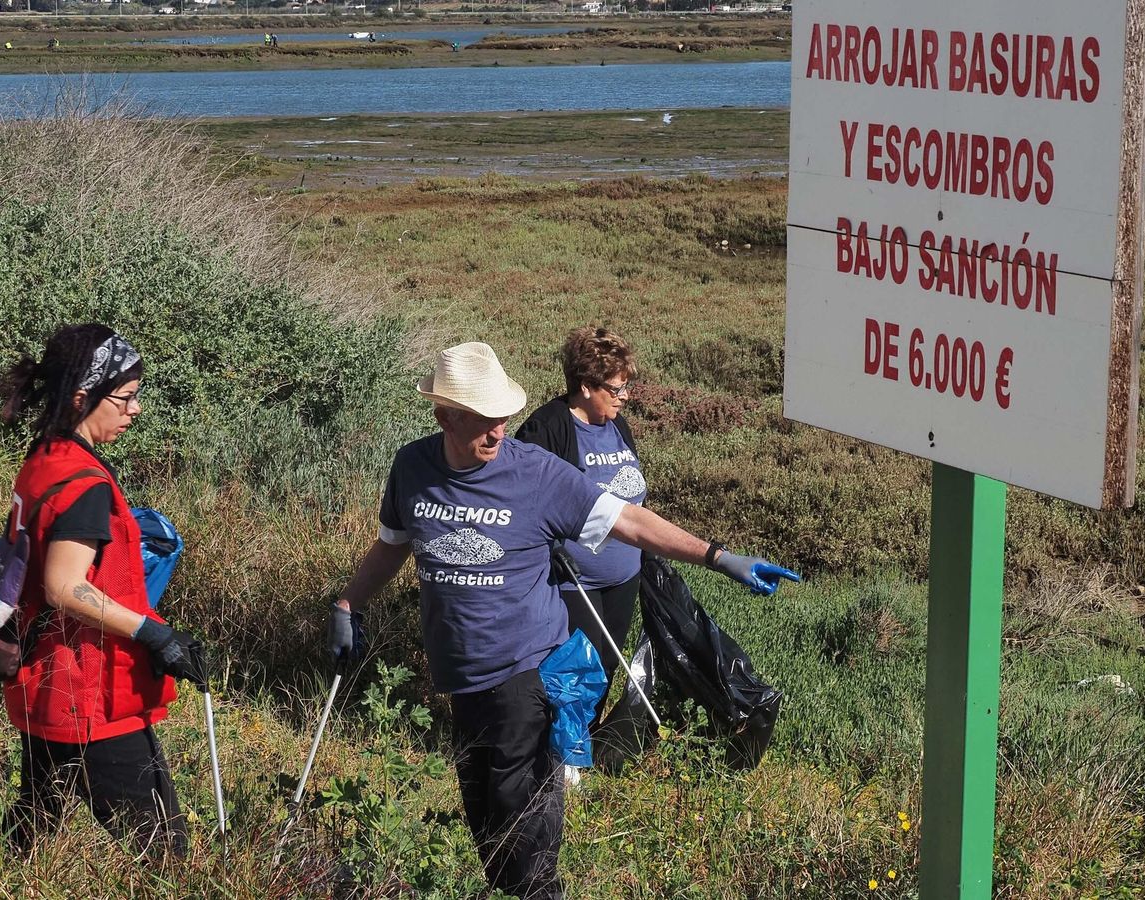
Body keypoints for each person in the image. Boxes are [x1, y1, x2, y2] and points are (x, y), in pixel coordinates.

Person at [328, 341, 796, 899]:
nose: (499, 431)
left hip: (525, 671)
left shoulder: (536, 474)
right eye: (484, 419)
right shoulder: (413, 468)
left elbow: (629, 521)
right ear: (445, 416)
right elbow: (392, 546)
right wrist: (348, 604)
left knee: (524, 836)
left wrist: (719, 557)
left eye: (503, 417)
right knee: (488, 825)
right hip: (460, 677)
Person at [0, 324, 207, 858]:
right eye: (125, 398)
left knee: (33, 827)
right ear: (82, 397)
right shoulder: (84, 484)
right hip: (88, 688)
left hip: (44, 675)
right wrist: (154, 633)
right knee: (165, 855)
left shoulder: (46, 459)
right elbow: (64, 587)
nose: (135, 409)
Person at [515, 326, 644, 776]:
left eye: (627, 386)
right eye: (616, 388)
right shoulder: (547, 427)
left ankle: (581, 745)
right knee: (575, 668)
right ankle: (563, 764)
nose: (625, 396)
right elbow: (522, 497)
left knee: (605, 665)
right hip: (573, 578)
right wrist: (551, 549)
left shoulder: (616, 425)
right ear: (586, 386)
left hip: (624, 575)